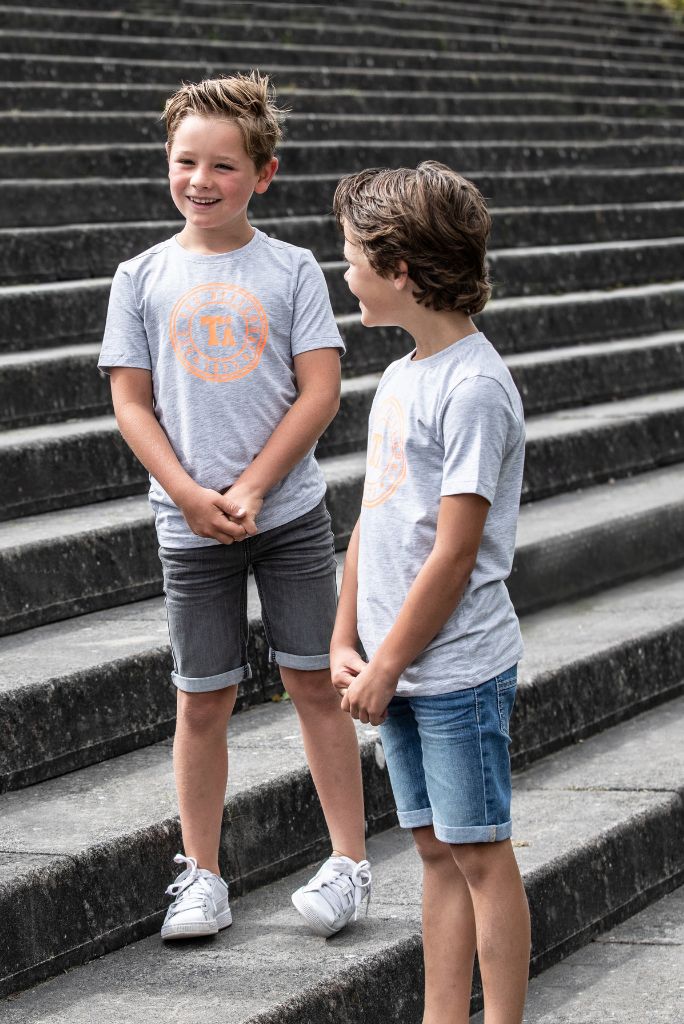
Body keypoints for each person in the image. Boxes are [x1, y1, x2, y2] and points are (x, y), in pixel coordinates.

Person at [98, 72, 370, 942]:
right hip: (188, 525)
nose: (201, 180)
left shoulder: (290, 268)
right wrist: (188, 493)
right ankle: (202, 875)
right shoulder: (139, 276)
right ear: (167, 162)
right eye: (186, 161)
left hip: (285, 517)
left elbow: (320, 391)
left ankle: (349, 862)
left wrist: (253, 487)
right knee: (200, 700)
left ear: (264, 173)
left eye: (223, 164)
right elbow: (131, 403)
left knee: (313, 685)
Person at [330, 162, 531, 1023]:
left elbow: (454, 553)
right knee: (434, 852)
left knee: (480, 852)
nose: (345, 273)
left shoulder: (474, 386)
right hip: (397, 668)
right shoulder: (403, 374)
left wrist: (390, 665)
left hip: (453, 672)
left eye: (353, 257)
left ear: (401, 269)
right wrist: (347, 639)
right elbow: (375, 523)